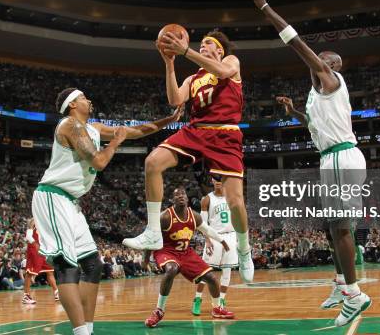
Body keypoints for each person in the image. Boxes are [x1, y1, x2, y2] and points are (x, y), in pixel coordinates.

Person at [247, 0, 371, 327]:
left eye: (327, 59)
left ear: (331, 66)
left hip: (337, 158)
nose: (321, 60)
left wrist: (265, 8)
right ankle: (341, 285)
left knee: (339, 228)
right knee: (332, 227)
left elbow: (296, 42)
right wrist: (293, 114)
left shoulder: (328, 78)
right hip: (338, 156)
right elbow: (316, 127)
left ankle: (353, 293)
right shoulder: (319, 95)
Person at [32, 88, 182, 335]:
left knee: (93, 265)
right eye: (82, 98)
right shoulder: (69, 125)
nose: (88, 100)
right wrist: (115, 142)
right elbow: (99, 162)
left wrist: (169, 121)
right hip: (53, 196)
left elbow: (137, 131)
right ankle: (80, 332)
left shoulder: (94, 127)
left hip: (71, 202)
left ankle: (87, 329)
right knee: (66, 265)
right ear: (71, 105)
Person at [123, 30, 254, 285]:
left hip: (225, 133)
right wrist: (169, 63)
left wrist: (185, 51)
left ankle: (244, 249)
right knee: (152, 162)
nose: (202, 45)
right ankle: (152, 232)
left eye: (208, 43)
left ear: (219, 50)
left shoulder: (230, 62)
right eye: (201, 43)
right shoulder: (193, 78)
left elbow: (223, 73)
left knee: (235, 200)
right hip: (196, 131)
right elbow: (175, 99)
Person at [143, 187, 235, 328]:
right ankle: (159, 311)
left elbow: (207, 230)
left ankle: (217, 309)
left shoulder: (194, 216)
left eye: (183, 194)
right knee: (172, 269)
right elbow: (150, 237)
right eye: (177, 195)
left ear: (187, 198)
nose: (181, 196)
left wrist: (221, 240)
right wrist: (145, 260)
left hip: (185, 252)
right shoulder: (165, 217)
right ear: (172, 200)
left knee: (211, 278)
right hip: (166, 250)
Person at [192, 176, 238, 315]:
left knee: (227, 271)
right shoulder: (207, 199)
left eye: (221, 179)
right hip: (214, 236)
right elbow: (203, 223)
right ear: (212, 181)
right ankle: (197, 299)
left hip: (230, 235)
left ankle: (220, 302)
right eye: (216, 179)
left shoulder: (232, 196)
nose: (218, 181)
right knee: (205, 272)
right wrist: (207, 239)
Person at [22, 219, 58, 304]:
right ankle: (26, 296)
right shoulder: (33, 220)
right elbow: (28, 236)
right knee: (30, 273)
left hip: (43, 249)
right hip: (34, 249)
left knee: (50, 271)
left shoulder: (45, 219)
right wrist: (35, 244)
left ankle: (57, 292)